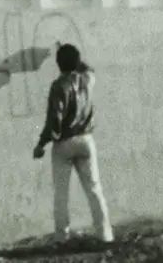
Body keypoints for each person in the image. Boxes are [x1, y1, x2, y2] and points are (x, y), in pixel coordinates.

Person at [32, 44, 114, 243]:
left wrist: (42, 144)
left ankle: (62, 236)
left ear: (58, 64)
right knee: (94, 189)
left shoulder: (58, 86)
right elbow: (88, 68)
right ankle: (105, 235)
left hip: (64, 143)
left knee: (61, 194)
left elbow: (54, 119)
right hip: (86, 140)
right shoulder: (87, 79)